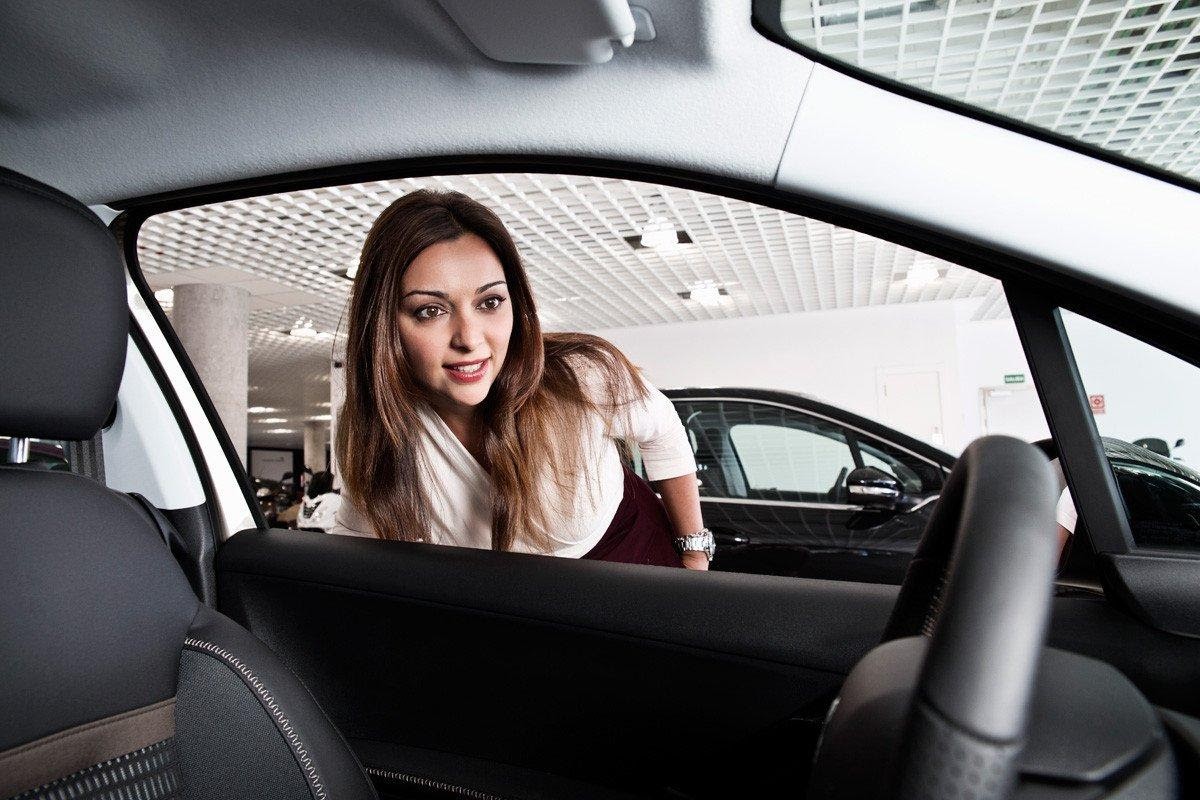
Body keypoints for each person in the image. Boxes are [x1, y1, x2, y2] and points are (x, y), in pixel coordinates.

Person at [331, 189, 711, 570]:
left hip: (638, 565)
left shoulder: (579, 375)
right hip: (510, 597)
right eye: (430, 311)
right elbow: (356, 541)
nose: (470, 339)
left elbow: (663, 430)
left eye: (490, 302)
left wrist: (694, 554)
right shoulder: (374, 425)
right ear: (384, 325)